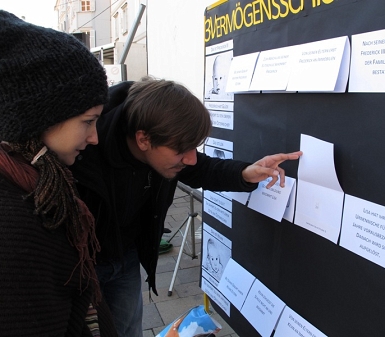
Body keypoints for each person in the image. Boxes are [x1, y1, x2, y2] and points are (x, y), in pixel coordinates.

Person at [70, 75, 302, 337]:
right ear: (143, 139)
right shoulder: (80, 154)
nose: (191, 159)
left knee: (127, 331)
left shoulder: (163, 142)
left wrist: (246, 173)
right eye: (182, 150)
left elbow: (203, 168)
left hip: (126, 258)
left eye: (194, 147)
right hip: (78, 266)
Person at [0, 11, 117, 336]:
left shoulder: (35, 180)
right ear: (41, 118)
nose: (94, 137)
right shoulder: (14, 225)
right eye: (87, 121)